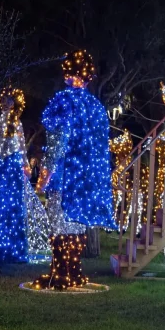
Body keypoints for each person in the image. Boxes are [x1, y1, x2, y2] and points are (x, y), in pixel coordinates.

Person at [33, 50, 117, 290]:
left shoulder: (63, 101)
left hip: (63, 176)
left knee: (58, 224)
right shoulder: (96, 107)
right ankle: (74, 271)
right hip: (86, 180)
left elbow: (57, 142)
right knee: (77, 225)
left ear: (67, 72)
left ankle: (59, 273)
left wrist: (45, 175)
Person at [0, 88, 49, 263]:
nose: (5, 104)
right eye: (3, 101)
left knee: (13, 203)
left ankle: (13, 246)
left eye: (9, 101)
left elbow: (21, 147)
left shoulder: (17, 123)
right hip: (1, 163)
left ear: (14, 103)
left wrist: (25, 165)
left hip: (12, 165)